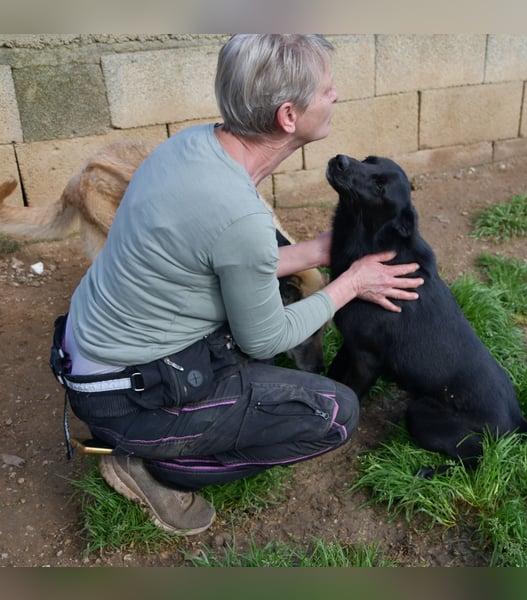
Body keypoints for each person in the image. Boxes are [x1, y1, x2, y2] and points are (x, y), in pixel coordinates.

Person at [51, 34, 424, 536]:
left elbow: (222, 253)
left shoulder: (192, 144)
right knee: (334, 414)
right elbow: (265, 336)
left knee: (262, 364)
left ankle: (157, 438)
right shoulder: (240, 216)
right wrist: (350, 283)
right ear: (289, 117)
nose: (336, 96)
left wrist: (317, 251)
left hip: (93, 354)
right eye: (328, 88)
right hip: (127, 396)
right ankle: (149, 465)